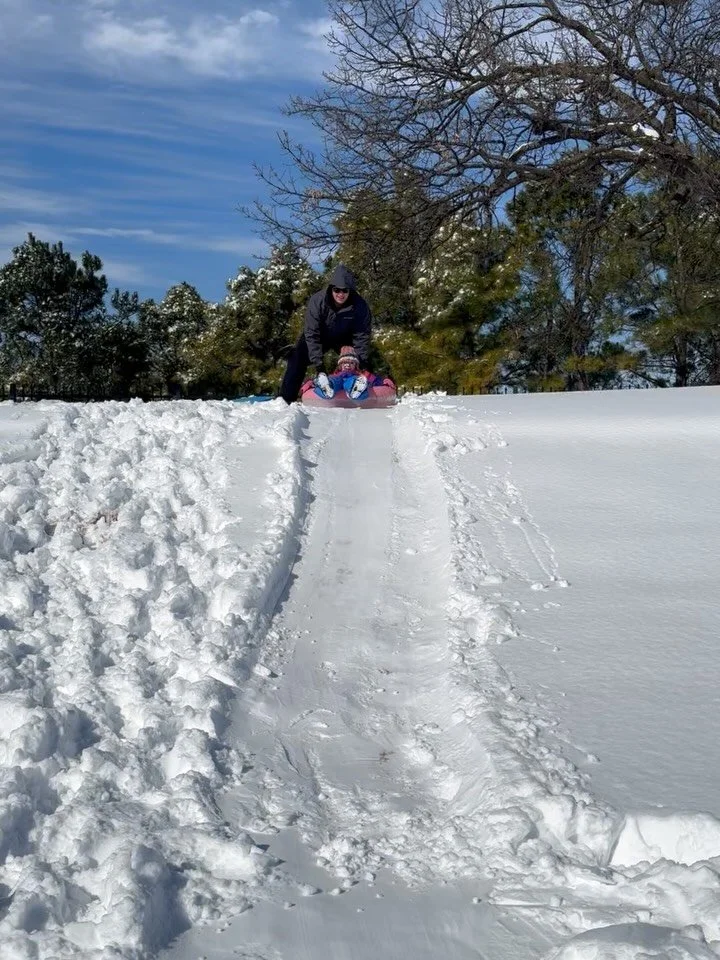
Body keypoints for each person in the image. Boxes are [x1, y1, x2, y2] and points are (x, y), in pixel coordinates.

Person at [280, 264, 372, 404]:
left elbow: (362, 335)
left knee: (355, 360)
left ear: (350, 291)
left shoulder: (360, 305)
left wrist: (362, 362)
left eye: (345, 290)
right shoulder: (317, 301)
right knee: (297, 357)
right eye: (337, 290)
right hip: (320, 336)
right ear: (331, 288)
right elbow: (311, 333)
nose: (340, 294)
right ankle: (286, 399)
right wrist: (319, 366)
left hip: (345, 338)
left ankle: (360, 388)